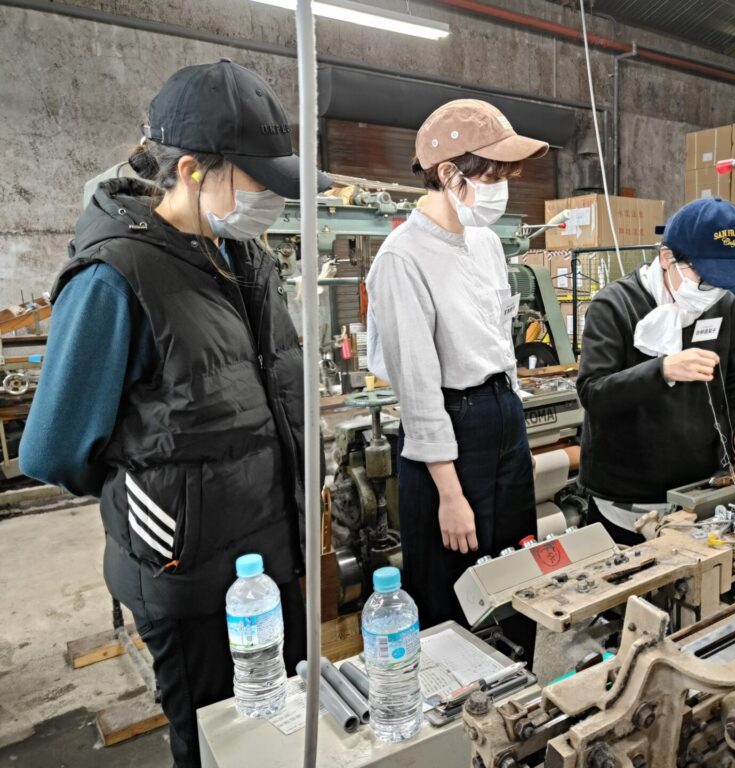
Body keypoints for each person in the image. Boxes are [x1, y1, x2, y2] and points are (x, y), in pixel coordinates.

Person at [19, 59, 332, 768]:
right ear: (192, 171)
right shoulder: (115, 276)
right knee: (215, 746)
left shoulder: (244, 259)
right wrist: (162, 500)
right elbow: (54, 449)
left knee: (276, 739)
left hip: (269, 560)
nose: (271, 200)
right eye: (258, 183)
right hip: (187, 578)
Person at [366, 99, 548, 633]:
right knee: (452, 589)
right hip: (450, 428)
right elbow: (419, 390)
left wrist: (516, 436)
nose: (502, 188)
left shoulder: (486, 243)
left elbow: (499, 342)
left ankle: (521, 674)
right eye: (492, 176)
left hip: (501, 413)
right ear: (448, 174)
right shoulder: (402, 258)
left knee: (518, 572)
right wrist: (449, 493)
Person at [577, 199, 735, 544]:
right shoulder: (615, 305)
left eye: (723, 281)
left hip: (698, 490)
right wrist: (661, 371)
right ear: (666, 258)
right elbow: (593, 393)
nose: (711, 291)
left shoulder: (723, 304)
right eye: (703, 278)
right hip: (627, 495)